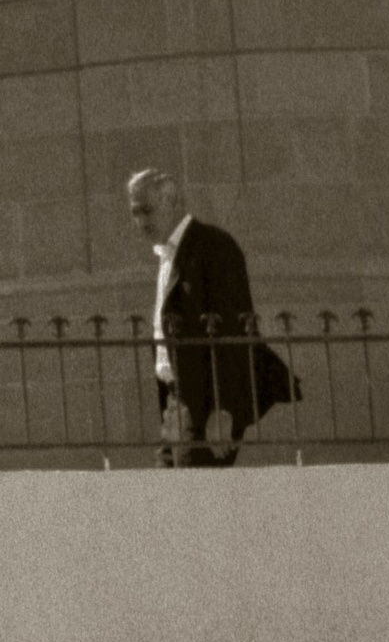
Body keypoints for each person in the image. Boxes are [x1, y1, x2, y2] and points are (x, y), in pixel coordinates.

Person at [126, 167, 294, 467]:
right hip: (178, 404)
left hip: (207, 407)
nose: (140, 222)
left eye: (146, 211)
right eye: (134, 213)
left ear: (172, 201)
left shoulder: (213, 247)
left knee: (195, 500)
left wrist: (223, 409)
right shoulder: (169, 256)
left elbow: (232, 330)